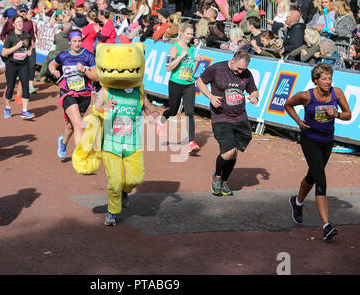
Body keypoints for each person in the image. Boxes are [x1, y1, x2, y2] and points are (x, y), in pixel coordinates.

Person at [71, 42, 159, 226]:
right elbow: (92, 111)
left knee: (137, 178)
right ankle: (112, 212)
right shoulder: (106, 90)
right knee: (115, 182)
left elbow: (146, 104)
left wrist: (152, 112)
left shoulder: (138, 89)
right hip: (111, 142)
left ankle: (125, 192)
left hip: (132, 140)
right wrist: (103, 108)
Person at [284, 63, 351, 241]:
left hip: (327, 141)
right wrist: (299, 121)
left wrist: (335, 114)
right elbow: (288, 105)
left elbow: (348, 114)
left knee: (312, 176)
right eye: (324, 79)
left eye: (330, 78)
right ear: (316, 80)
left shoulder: (336, 93)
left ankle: (296, 202)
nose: (328, 82)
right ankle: (326, 226)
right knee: (321, 179)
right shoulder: (306, 96)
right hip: (310, 140)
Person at [196, 50, 259, 196]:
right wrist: (211, 97)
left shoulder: (246, 73)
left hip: (240, 117)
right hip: (221, 116)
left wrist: (254, 97)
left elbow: (254, 91)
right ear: (233, 60)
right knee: (229, 151)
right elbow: (200, 81)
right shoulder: (217, 69)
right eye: (238, 68)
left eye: (243, 69)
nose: (240, 72)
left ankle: (224, 181)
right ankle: (217, 177)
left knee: (234, 153)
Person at [48, 30, 99, 159]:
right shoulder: (63, 55)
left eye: (79, 41)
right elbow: (52, 64)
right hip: (68, 92)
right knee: (78, 124)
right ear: (69, 42)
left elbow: (96, 77)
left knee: (71, 125)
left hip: (84, 94)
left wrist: (85, 70)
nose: (77, 44)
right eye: (74, 41)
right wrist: (54, 71)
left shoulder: (88, 56)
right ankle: (81, 155)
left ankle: (63, 142)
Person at [157, 23, 205, 154]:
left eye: (191, 34)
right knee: (173, 111)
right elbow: (168, 67)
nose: (190, 36)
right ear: (182, 33)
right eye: (188, 34)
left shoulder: (190, 48)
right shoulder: (175, 48)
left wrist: (195, 59)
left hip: (189, 84)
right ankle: (162, 119)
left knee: (189, 112)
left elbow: (187, 62)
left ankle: (191, 142)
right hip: (175, 83)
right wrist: (179, 56)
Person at [1, 15, 35, 119]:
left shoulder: (27, 36)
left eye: (21, 22)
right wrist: (16, 47)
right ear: (14, 24)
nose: (20, 24)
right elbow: (3, 53)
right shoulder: (10, 37)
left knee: (25, 87)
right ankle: (7, 108)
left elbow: (29, 46)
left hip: (23, 65)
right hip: (12, 65)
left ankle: (24, 111)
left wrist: (29, 51)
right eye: (18, 22)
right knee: (10, 87)